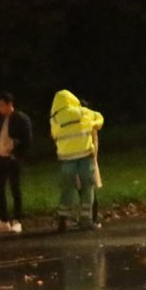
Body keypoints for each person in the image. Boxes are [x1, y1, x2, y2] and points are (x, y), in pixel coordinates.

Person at [50, 89, 104, 232]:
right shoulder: (83, 112)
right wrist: (94, 125)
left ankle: (62, 220)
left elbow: (54, 135)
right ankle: (87, 220)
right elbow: (99, 118)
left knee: (67, 189)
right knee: (87, 188)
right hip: (85, 156)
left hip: (66, 159)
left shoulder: (54, 119)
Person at [0, 92, 32, 234]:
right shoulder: (0, 120)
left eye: (1, 105)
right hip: (0, 157)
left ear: (9, 104)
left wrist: (17, 154)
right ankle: (3, 221)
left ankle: (17, 220)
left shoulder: (20, 118)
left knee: (15, 188)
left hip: (13, 158)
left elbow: (27, 140)